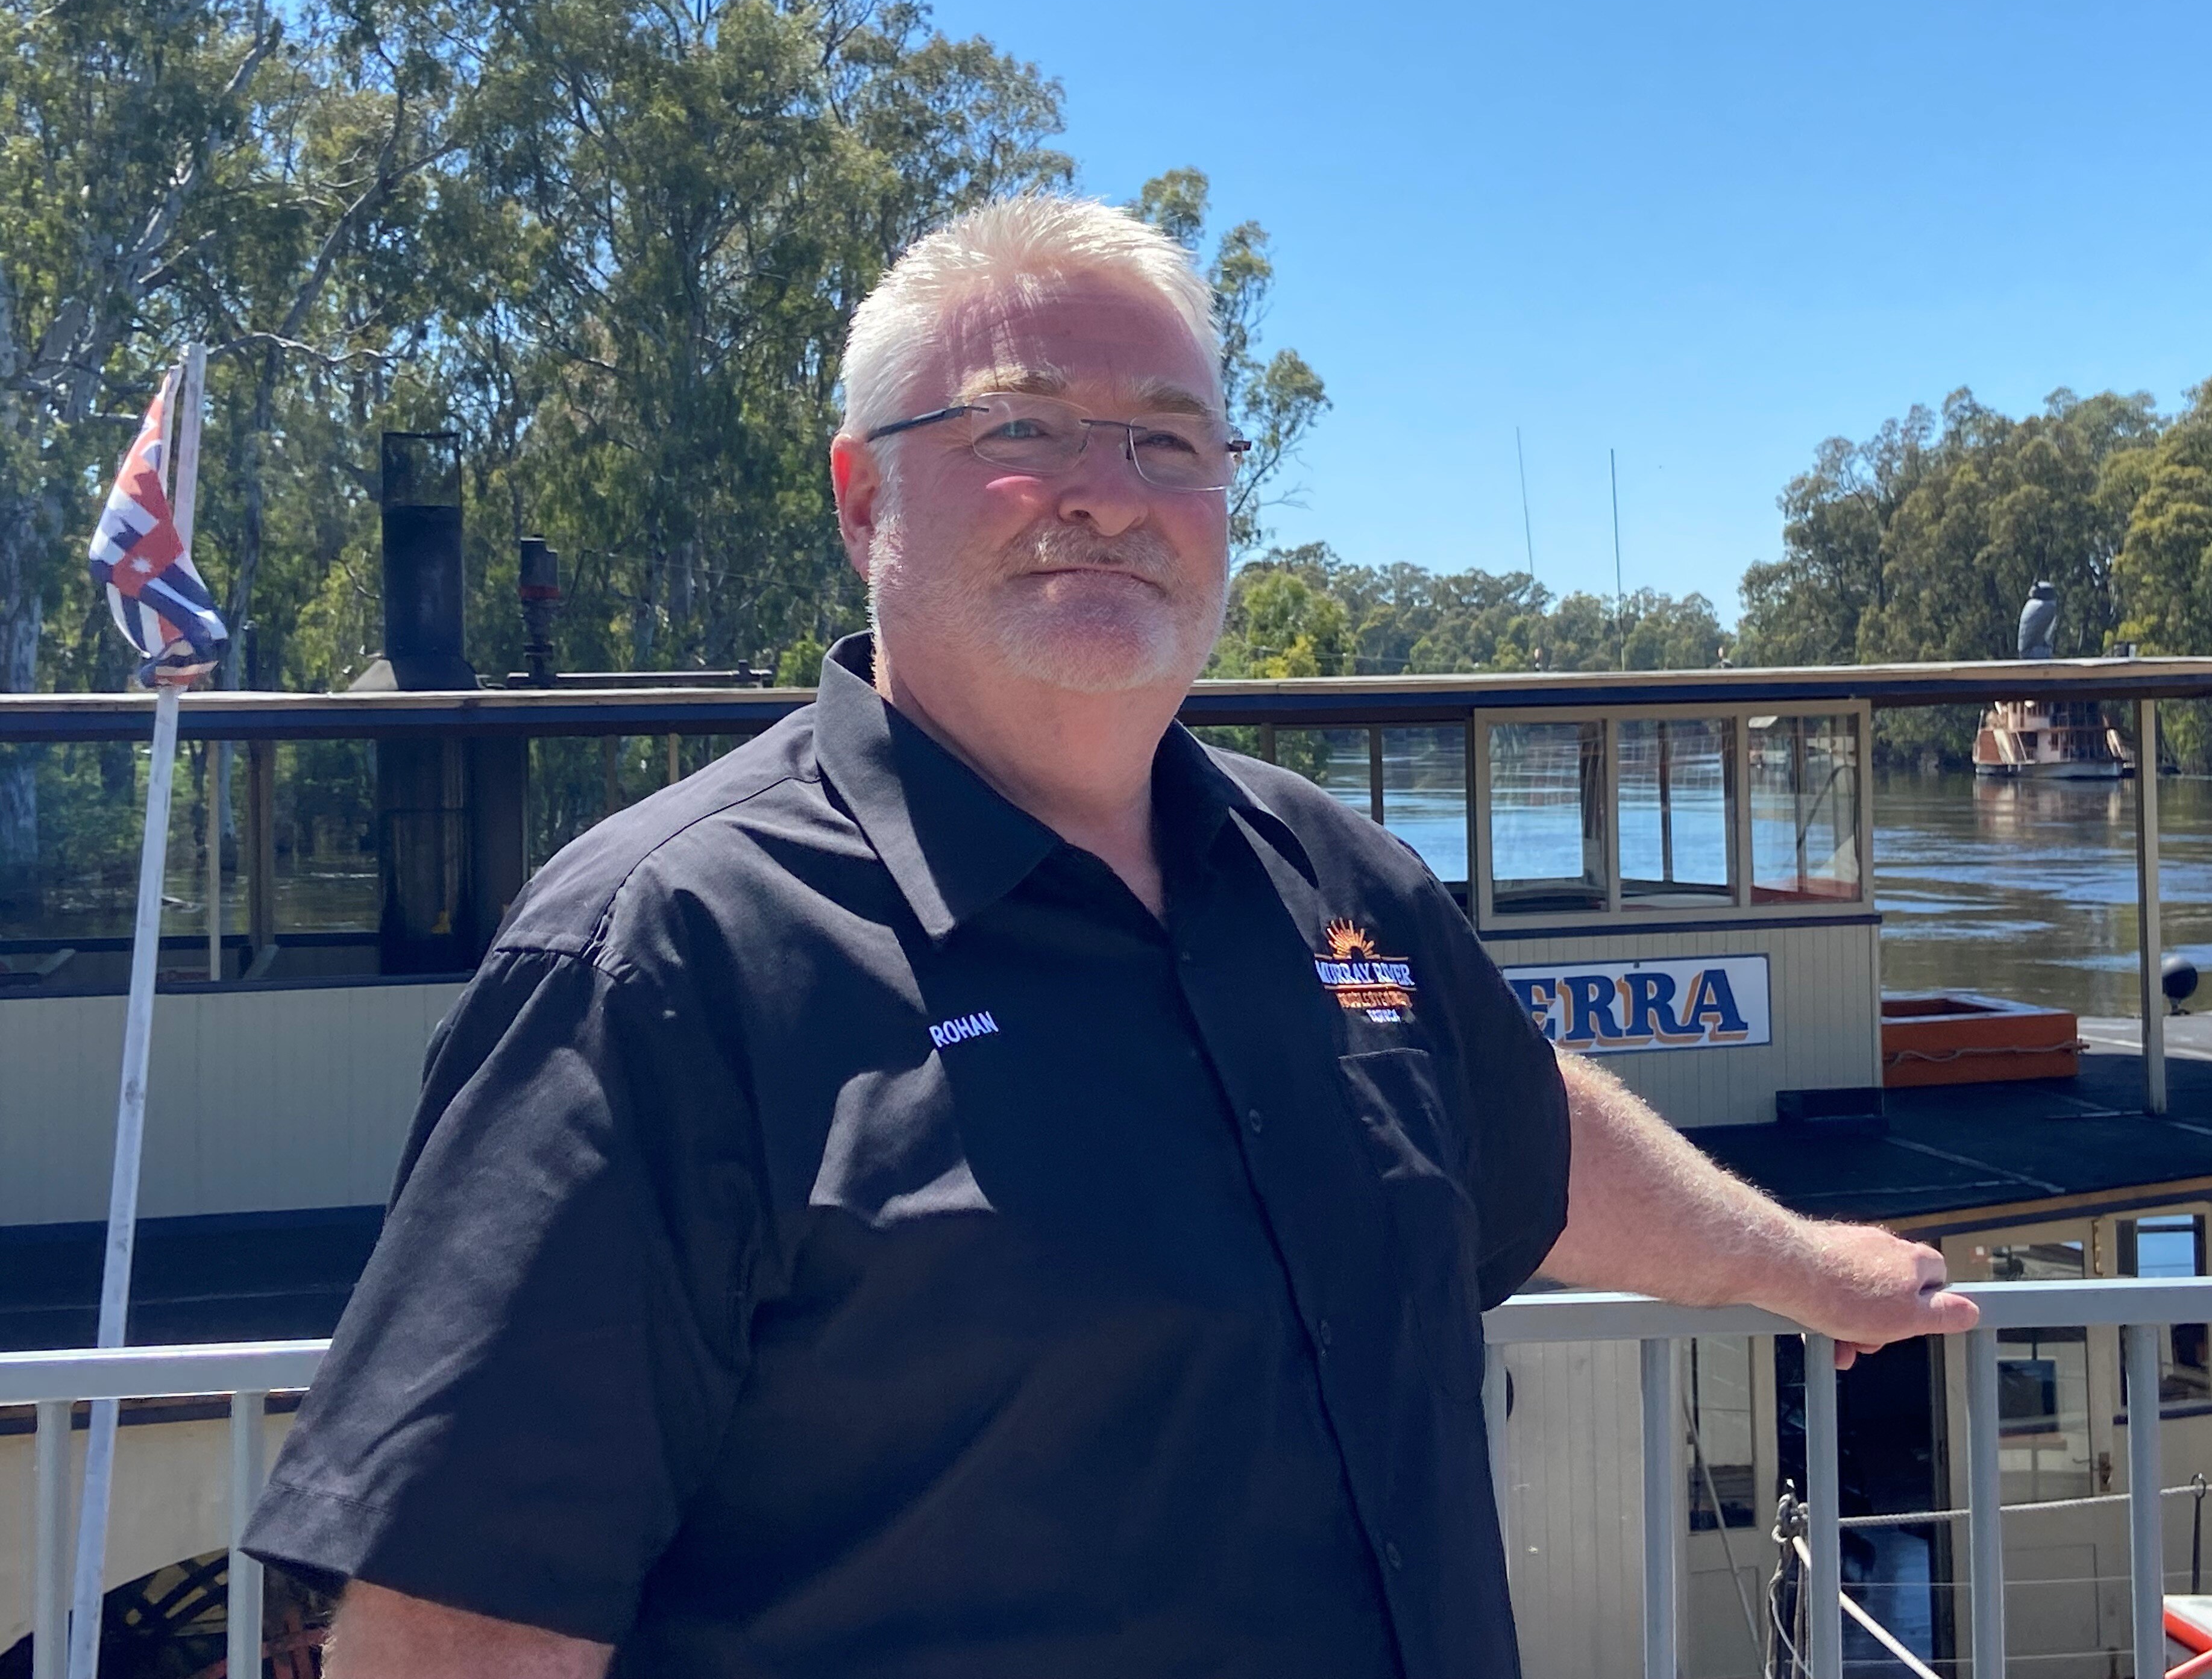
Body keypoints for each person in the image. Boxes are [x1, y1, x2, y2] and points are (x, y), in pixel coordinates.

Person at [244, 196, 1977, 1678]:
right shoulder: (664, 961)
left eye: (1168, 439)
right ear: (862, 499)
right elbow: (453, 1622)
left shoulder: (1335, 881)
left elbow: (1514, 1123)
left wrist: (1795, 1265)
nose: (1108, 490)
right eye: (1020, 429)